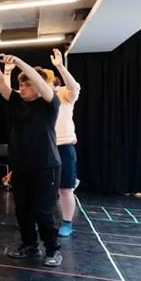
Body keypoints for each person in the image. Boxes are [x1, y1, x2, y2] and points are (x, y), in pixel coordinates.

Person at [0, 53, 63, 267]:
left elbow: (38, 80)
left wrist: (18, 63)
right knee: (22, 209)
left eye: (26, 85)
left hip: (46, 167)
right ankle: (29, 245)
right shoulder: (18, 101)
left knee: (42, 211)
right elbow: (1, 85)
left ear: (37, 86)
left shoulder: (50, 103)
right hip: (21, 167)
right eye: (21, 85)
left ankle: (53, 250)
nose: (22, 88)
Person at [49, 49, 81, 237]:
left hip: (64, 147)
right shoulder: (39, 98)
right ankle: (41, 219)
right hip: (45, 147)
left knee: (65, 188)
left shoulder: (64, 95)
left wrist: (60, 66)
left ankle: (67, 223)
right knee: (43, 187)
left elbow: (74, 86)